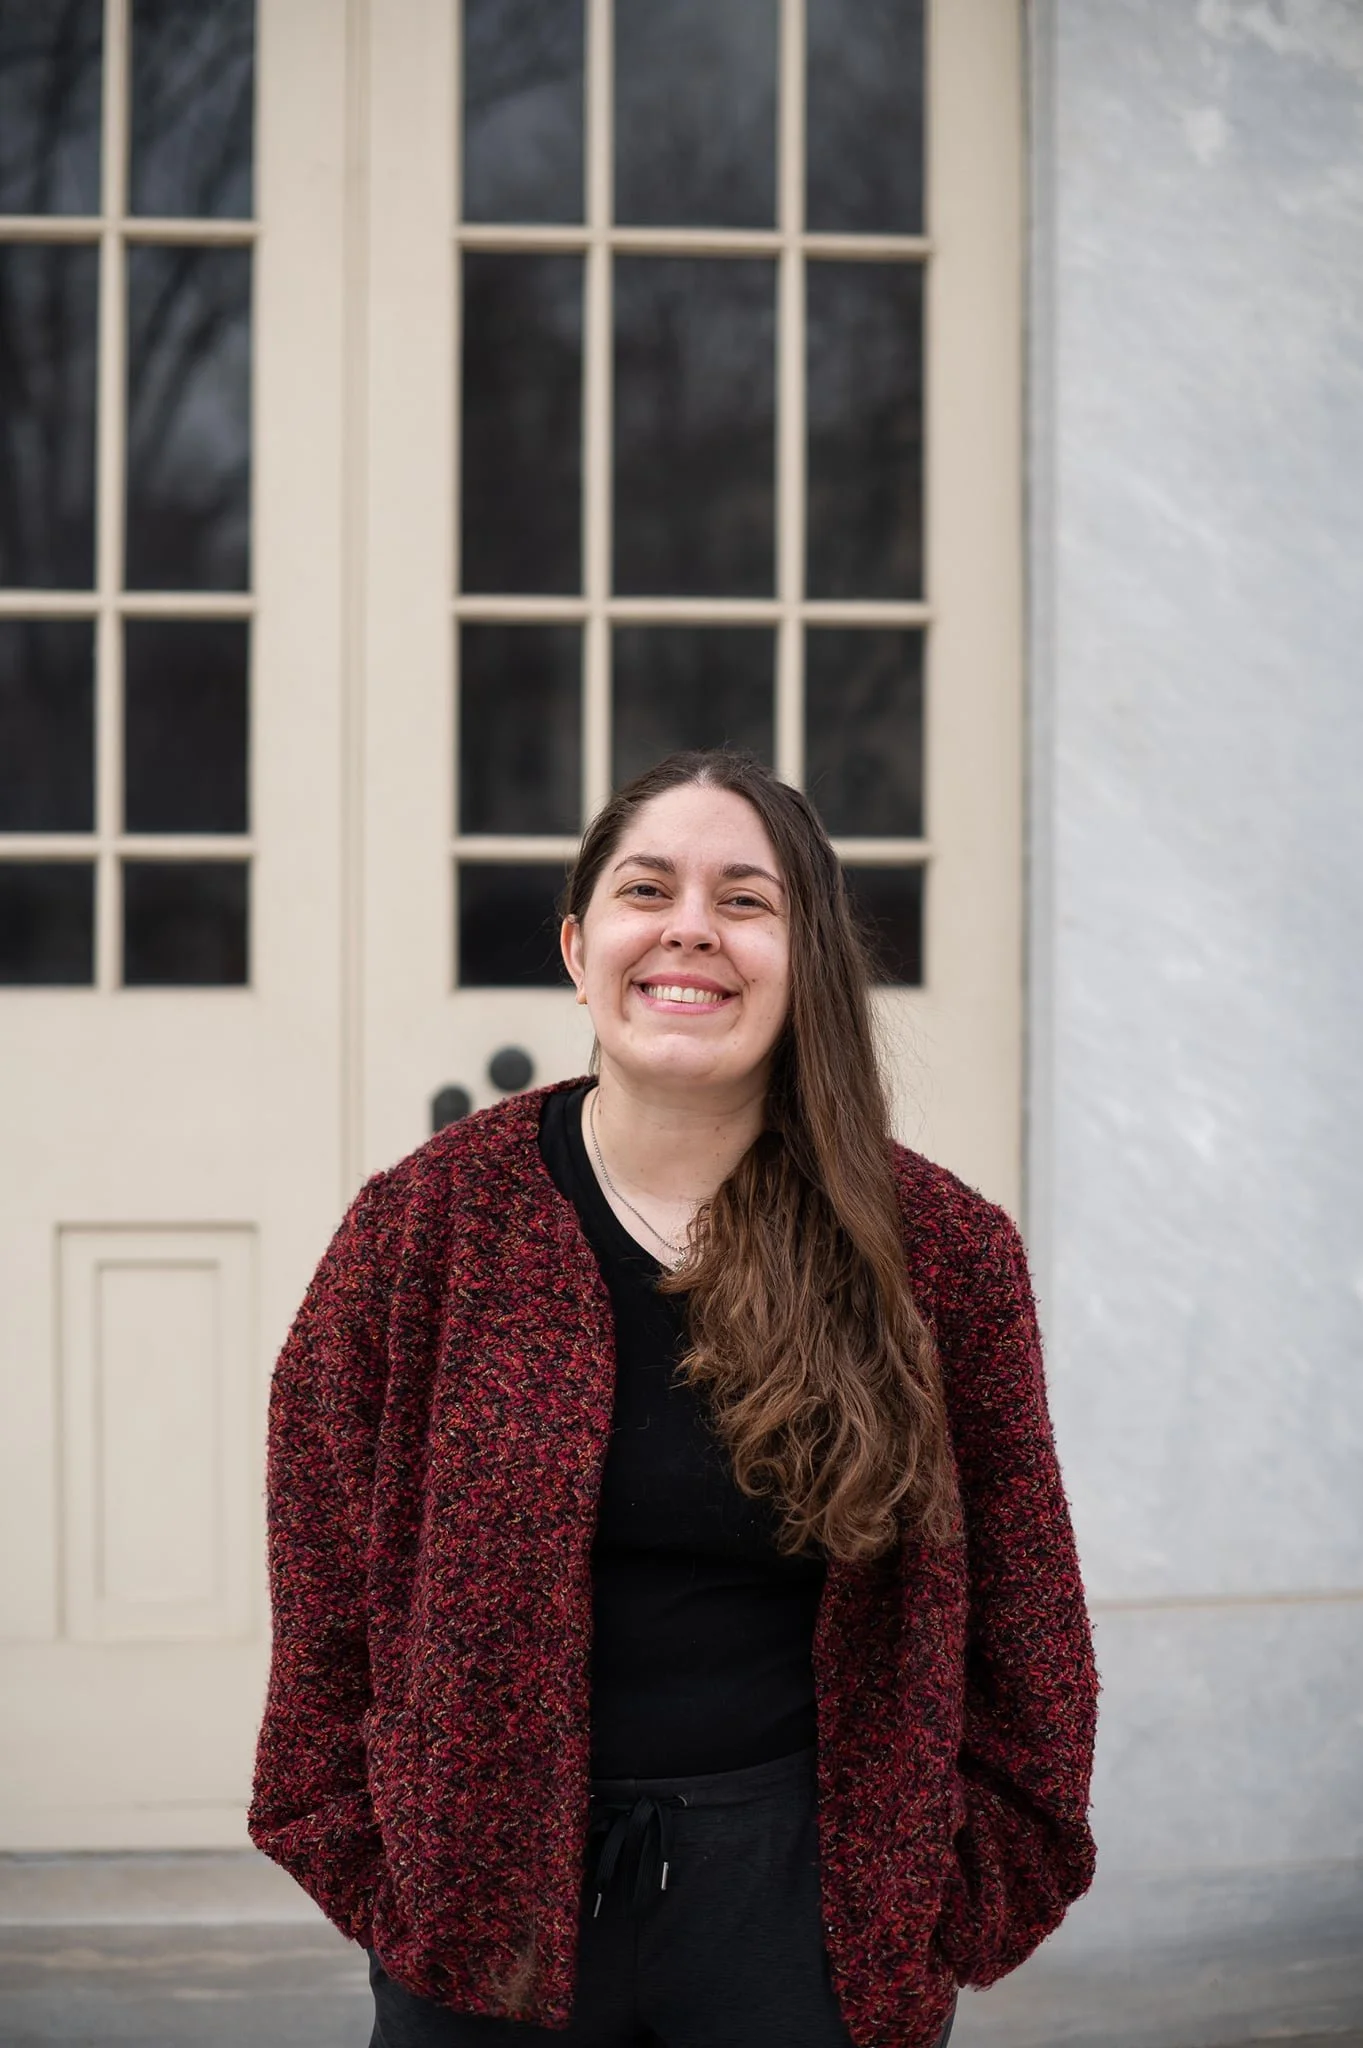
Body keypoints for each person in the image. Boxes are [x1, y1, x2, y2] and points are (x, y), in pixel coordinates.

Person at [249, 751, 1098, 2048]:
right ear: (578, 947)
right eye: (647, 890)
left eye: (745, 900)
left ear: (806, 961)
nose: (690, 926)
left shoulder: (936, 1251)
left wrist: (951, 1900)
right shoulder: (425, 1226)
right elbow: (320, 1566)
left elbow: (1028, 1609)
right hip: (478, 1923)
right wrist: (380, 1863)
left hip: (809, 1920)